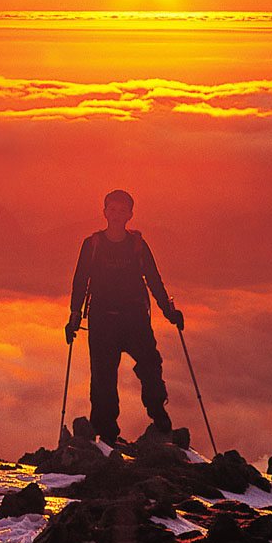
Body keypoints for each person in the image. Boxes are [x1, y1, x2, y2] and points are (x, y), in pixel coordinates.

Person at [66, 190, 184, 444]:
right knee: (104, 378)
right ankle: (107, 432)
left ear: (130, 214)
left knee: (148, 368)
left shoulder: (137, 245)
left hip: (132, 319)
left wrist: (168, 310)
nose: (117, 214)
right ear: (105, 212)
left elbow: (154, 279)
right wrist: (74, 315)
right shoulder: (93, 244)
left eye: (122, 210)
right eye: (112, 209)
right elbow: (80, 282)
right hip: (105, 320)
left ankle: (153, 417)